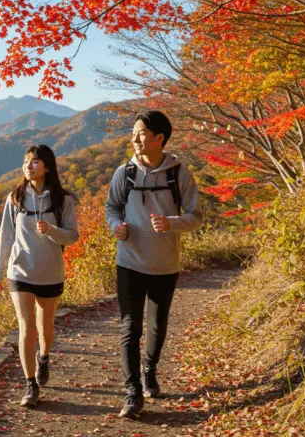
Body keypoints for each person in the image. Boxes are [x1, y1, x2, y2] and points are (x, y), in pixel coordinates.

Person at [105, 110, 204, 419]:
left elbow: (197, 215)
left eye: (142, 133)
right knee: (129, 327)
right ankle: (133, 392)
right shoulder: (125, 173)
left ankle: (149, 368)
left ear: (159, 138)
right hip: (129, 261)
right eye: (134, 133)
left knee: (157, 327)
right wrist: (116, 226)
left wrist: (171, 223)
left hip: (164, 263)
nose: (135, 138)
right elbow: (111, 207)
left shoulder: (179, 174)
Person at [0, 144, 80, 408]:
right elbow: (5, 236)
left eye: (34, 162)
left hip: (50, 272)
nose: (28, 166)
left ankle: (44, 357)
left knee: (46, 330)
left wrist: (52, 230)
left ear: (47, 167)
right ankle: (30, 384)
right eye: (26, 162)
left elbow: (73, 236)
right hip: (19, 271)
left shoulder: (62, 200)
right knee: (26, 329)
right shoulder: (16, 197)